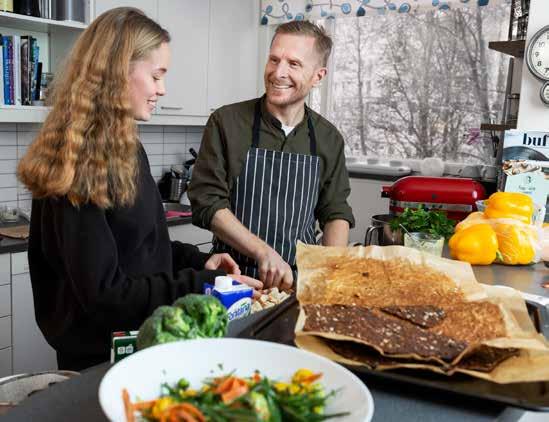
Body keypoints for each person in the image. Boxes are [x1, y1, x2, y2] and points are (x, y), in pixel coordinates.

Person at [17, 7, 261, 371]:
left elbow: (142, 246)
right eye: (156, 75)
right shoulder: (75, 162)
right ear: (117, 72)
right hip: (98, 360)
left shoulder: (126, 147)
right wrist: (199, 282)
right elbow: (105, 296)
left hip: (140, 343)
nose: (162, 89)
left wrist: (198, 262)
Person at [189, 21, 354, 290]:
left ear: (318, 76)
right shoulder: (227, 122)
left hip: (298, 282)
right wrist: (264, 252)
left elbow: (335, 211)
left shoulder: (328, 138)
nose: (278, 72)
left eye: (294, 64)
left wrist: (330, 273)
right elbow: (207, 202)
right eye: (274, 59)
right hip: (234, 277)